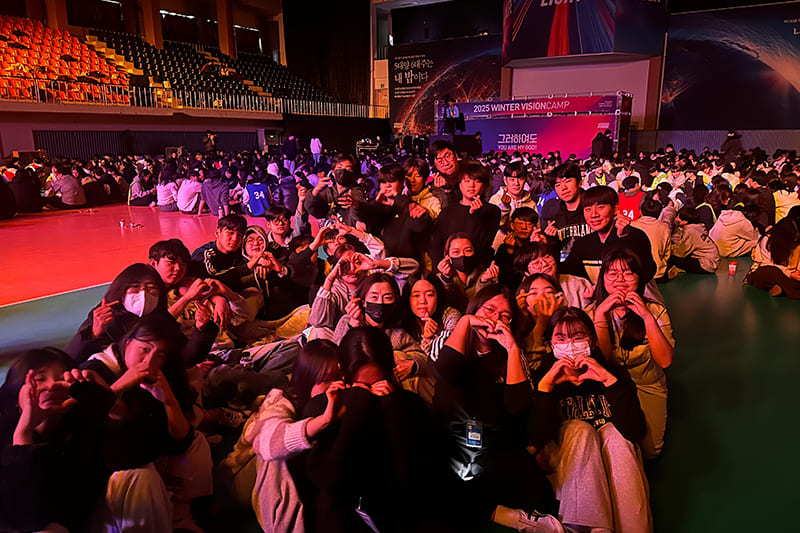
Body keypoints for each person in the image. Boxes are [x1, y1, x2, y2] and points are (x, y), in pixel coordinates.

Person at [510, 307, 651, 532]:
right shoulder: (542, 376)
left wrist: (609, 381)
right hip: (566, 465)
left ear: (592, 341)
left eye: (578, 336)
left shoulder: (612, 372)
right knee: (580, 430)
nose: (570, 344)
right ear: (551, 344)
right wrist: (545, 388)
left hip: (611, 463)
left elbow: (636, 432)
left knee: (616, 435)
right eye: (561, 338)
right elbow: (537, 438)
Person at [432, 285, 559, 532]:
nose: (494, 319)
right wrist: (466, 322)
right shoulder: (448, 339)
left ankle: (496, 510)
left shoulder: (512, 353)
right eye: (489, 310)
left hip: (497, 443)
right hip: (456, 442)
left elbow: (518, 407)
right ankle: (499, 514)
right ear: (475, 309)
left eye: (504, 316)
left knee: (528, 486)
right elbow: (447, 371)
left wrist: (512, 349)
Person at [303, 326, 450, 533]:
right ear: (343, 371)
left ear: (391, 370)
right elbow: (329, 480)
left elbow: (413, 478)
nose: (371, 393)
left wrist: (392, 410)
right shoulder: (323, 408)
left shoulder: (408, 405)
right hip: (345, 515)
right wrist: (355, 408)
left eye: (379, 383)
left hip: (400, 511)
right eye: (362, 386)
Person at [81, 317, 212, 532]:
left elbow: (182, 439)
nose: (149, 360)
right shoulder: (98, 370)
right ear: (127, 343)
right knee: (143, 474)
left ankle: (182, 512)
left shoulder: (163, 374)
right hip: (111, 475)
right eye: (144, 349)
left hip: (147, 453)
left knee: (196, 442)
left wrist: (168, 400)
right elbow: (99, 440)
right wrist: (121, 386)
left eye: (160, 355)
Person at [0, 348, 115, 533]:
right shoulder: (4, 436)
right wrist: (24, 432)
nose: (52, 385)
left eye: (62, 378)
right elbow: (23, 519)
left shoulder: (79, 430)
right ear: (15, 395)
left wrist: (101, 394)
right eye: (39, 379)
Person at [587, 248, 674, 458]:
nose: (620, 280)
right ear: (603, 279)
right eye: (612, 273)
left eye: (628, 273)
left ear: (639, 278)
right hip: (609, 387)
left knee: (651, 451)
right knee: (617, 441)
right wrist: (600, 315)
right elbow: (602, 361)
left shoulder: (656, 311)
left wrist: (646, 317)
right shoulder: (590, 313)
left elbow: (665, 361)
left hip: (647, 384)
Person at [332, 273, 427, 392]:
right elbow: (337, 355)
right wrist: (354, 324)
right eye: (374, 297)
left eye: (387, 298)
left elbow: (422, 356)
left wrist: (413, 365)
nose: (380, 302)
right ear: (363, 301)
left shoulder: (396, 332)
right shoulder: (347, 321)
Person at [561, 185, 657, 284]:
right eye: (588, 209)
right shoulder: (582, 244)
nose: (594, 215)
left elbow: (647, 272)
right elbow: (569, 273)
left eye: (600, 207)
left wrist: (624, 239)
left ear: (615, 209)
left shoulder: (635, 236)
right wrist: (552, 242)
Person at [431, 161, 501, 269]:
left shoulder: (492, 211)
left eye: (477, 181)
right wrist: (438, 269)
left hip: (480, 269)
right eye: (467, 181)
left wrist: (476, 215)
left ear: (484, 186)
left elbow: (484, 244)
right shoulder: (447, 212)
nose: (471, 185)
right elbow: (437, 245)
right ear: (459, 184)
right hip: (450, 268)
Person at [539, 163, 589, 262]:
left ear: (579, 183)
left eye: (568, 181)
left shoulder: (593, 207)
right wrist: (547, 240)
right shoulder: (551, 212)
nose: (563, 188)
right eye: (558, 185)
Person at [669, 206, 720, 276]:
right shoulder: (697, 228)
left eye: (678, 217)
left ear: (685, 222)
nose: (676, 219)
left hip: (706, 265)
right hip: (712, 262)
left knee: (672, 259)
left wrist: (668, 248)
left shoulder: (690, 231)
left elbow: (681, 252)